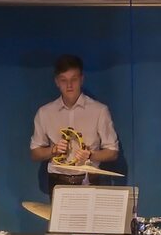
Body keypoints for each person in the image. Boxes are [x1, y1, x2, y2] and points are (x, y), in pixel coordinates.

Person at [29, 54, 119, 191]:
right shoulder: (45, 113)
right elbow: (35, 153)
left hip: (89, 179)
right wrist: (53, 150)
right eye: (64, 80)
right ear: (57, 82)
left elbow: (112, 152)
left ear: (82, 79)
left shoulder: (99, 110)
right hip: (57, 181)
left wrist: (91, 155)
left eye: (74, 79)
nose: (69, 85)